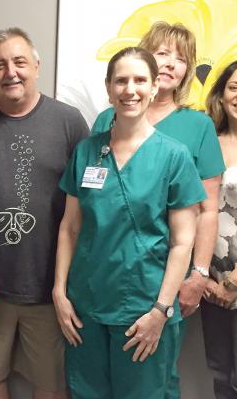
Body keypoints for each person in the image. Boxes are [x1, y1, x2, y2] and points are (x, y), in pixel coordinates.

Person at [54, 46, 205, 398]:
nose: (130, 89)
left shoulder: (173, 156)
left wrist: (160, 310)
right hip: (84, 307)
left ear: (154, 87)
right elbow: (70, 227)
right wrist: (59, 293)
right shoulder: (87, 151)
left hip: (144, 308)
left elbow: (184, 242)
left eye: (140, 80)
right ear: (109, 88)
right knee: (87, 392)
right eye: (121, 80)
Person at [0, 27, 89, 399]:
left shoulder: (69, 122)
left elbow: (87, 206)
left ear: (37, 66)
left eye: (19, 62)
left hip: (49, 286)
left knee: (50, 383)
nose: (10, 71)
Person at [91, 23, 224, 397]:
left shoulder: (196, 125)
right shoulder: (108, 120)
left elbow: (208, 209)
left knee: (155, 378)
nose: (170, 64)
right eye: (162, 53)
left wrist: (197, 273)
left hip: (165, 276)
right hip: (106, 277)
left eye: (181, 59)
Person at [201, 60, 237, 399]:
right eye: (234, 87)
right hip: (211, 285)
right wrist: (207, 281)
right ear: (222, 94)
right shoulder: (207, 141)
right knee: (220, 373)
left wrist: (232, 283)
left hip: (233, 281)